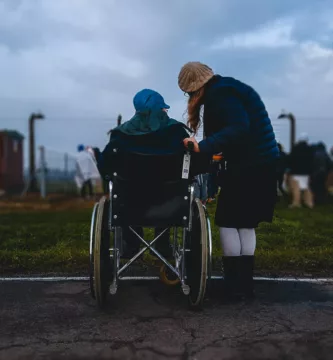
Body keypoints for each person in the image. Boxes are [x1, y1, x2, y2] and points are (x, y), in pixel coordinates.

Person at [178, 61, 279, 300]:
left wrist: (202, 147)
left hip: (248, 166)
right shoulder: (229, 88)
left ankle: (233, 285)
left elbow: (238, 127)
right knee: (245, 223)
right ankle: (244, 285)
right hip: (261, 163)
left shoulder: (220, 95)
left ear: (195, 88)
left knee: (227, 221)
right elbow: (241, 129)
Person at [98, 89, 208, 258]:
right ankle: (162, 244)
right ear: (161, 110)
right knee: (170, 193)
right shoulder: (177, 133)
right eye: (164, 109)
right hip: (170, 204)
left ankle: (132, 243)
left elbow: (105, 166)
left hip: (129, 202)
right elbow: (197, 166)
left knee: (125, 196)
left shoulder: (120, 136)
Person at [287, 133, 314, 208]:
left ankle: (296, 203)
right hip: (306, 172)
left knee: (296, 188)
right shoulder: (310, 149)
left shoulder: (295, 148)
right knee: (306, 187)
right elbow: (312, 161)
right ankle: (309, 203)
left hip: (296, 172)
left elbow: (291, 160)